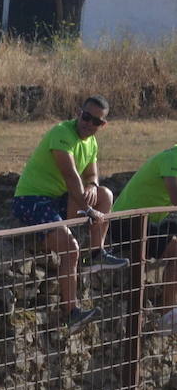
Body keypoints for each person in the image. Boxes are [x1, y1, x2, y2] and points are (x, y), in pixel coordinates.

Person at [11, 95, 128, 333]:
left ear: (102, 125)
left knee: (105, 193)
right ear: (79, 113)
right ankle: (72, 312)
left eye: (95, 121)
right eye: (86, 116)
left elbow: (91, 175)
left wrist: (93, 188)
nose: (88, 123)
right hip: (32, 199)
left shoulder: (91, 143)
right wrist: (87, 209)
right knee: (70, 248)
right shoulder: (61, 133)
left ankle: (96, 253)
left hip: (59, 198)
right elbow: (70, 174)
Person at [111, 144, 177, 333]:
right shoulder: (171, 158)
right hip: (127, 222)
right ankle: (168, 315)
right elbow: (175, 196)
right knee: (175, 250)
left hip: (148, 221)